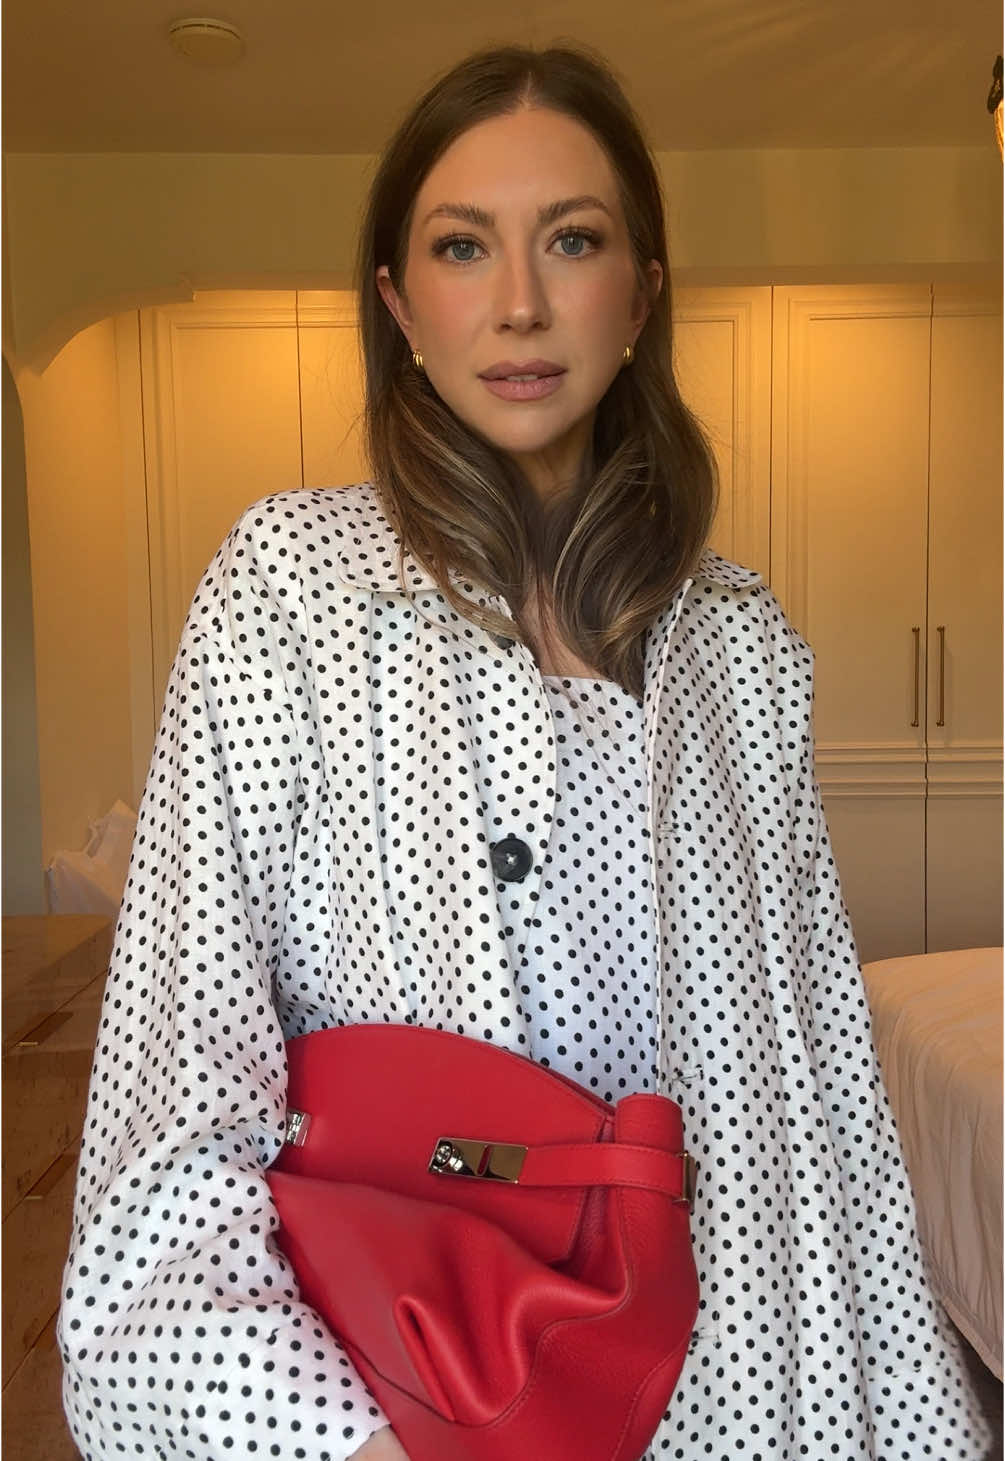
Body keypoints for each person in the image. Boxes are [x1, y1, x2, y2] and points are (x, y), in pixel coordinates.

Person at [58, 41, 991, 1461]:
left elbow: (820, 1090)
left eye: (571, 239)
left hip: (737, 1368)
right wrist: (342, 1444)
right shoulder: (290, 587)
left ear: (642, 291)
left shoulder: (739, 637)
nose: (518, 303)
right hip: (414, 1391)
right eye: (460, 246)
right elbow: (177, 1082)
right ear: (397, 302)